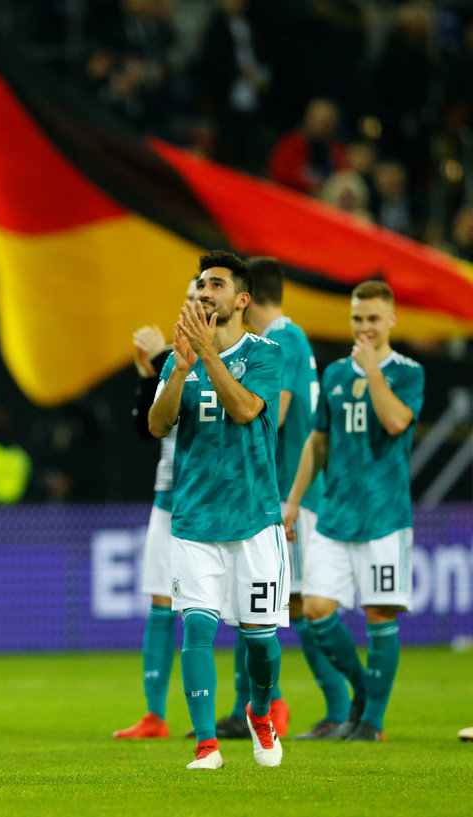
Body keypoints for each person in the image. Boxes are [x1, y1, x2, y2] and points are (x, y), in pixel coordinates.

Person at [148, 250, 288, 770]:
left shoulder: (267, 354)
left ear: (242, 299)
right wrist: (181, 370)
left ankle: (259, 712)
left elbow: (247, 409)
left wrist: (207, 356)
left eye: (217, 285)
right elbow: (158, 424)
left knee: (261, 642)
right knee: (198, 630)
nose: (205, 292)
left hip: (255, 520)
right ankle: (207, 745)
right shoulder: (179, 356)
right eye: (202, 284)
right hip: (195, 519)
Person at [284, 280, 424, 743]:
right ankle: (364, 693)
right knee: (316, 609)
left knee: (380, 614)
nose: (365, 327)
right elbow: (319, 441)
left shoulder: (408, 372)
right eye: (358, 318)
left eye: (373, 319)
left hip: (384, 517)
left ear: (391, 321)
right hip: (335, 514)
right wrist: (293, 501)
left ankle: (372, 724)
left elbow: (396, 421)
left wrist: (373, 372)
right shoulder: (336, 374)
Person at [245, 258, 350, 740]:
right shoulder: (294, 337)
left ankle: (344, 707)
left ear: (247, 297)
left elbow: (276, 415)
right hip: (295, 492)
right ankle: (334, 708)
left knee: (303, 603)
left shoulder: (281, 341)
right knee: (290, 603)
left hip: (295, 493)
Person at [114, 277, 199, 740]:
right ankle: (155, 714)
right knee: (161, 601)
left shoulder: (237, 360)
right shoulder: (173, 362)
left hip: (218, 502)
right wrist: (150, 374)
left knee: (237, 610)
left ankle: (262, 707)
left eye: (200, 297)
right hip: (169, 496)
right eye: (187, 299)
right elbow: (148, 429)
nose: (192, 305)